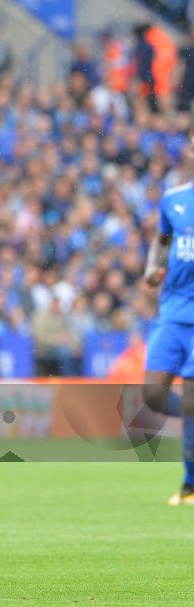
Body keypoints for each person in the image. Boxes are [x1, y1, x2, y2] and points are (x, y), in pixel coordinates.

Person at [141, 134, 194, 506]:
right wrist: (153, 269)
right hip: (173, 311)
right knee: (154, 393)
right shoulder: (173, 199)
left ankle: (190, 486)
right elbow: (162, 240)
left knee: (191, 401)